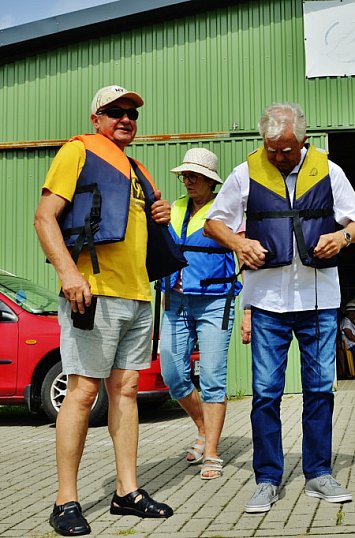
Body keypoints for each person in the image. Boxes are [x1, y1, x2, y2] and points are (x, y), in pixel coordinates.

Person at [204, 102, 355, 512]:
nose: (278, 156)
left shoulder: (330, 172)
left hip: (319, 301)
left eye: (286, 150)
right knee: (265, 394)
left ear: (304, 141)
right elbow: (214, 221)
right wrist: (240, 243)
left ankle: (318, 474)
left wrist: (342, 239)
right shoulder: (245, 172)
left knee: (318, 390)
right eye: (271, 149)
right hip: (267, 302)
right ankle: (267, 479)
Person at [33, 85, 173, 536]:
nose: (126, 118)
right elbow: (44, 216)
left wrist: (160, 215)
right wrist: (69, 274)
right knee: (82, 392)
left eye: (132, 112)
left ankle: (126, 492)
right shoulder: (78, 151)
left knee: (127, 390)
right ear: (96, 118)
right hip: (92, 291)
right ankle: (65, 501)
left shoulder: (136, 169)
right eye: (115, 111)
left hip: (136, 294)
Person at [158, 148, 242, 480]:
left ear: (210, 180)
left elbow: (244, 256)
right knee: (172, 373)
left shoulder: (228, 210)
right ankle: (203, 427)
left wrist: (247, 310)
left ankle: (211, 452)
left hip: (214, 301)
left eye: (194, 176)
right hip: (175, 301)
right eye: (184, 176)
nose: (187, 181)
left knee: (212, 377)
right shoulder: (175, 208)